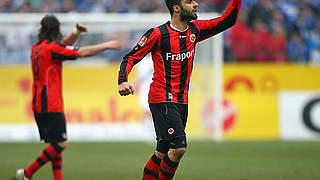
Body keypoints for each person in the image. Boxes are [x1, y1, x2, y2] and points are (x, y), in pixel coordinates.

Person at [118, 0, 242, 179]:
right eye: (189, 1)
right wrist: (123, 80)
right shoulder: (158, 34)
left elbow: (228, 20)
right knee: (178, 148)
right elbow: (130, 57)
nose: (196, 4)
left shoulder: (195, 30)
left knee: (163, 151)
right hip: (161, 98)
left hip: (182, 100)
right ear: (176, 8)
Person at [14, 14, 121, 180]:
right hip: (50, 102)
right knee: (60, 143)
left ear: (42, 30)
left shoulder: (37, 48)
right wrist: (106, 45)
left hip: (38, 102)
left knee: (55, 142)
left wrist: (76, 33)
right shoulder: (52, 49)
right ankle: (27, 173)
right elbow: (81, 52)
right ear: (57, 30)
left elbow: (60, 46)